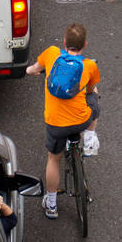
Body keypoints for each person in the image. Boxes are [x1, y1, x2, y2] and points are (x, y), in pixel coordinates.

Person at [26, 22, 101, 221]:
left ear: (64, 42)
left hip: (56, 124)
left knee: (54, 159)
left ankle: (51, 205)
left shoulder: (51, 54)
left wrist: (31, 71)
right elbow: (91, 90)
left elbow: (33, 69)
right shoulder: (89, 66)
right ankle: (90, 140)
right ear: (85, 45)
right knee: (94, 98)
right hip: (81, 120)